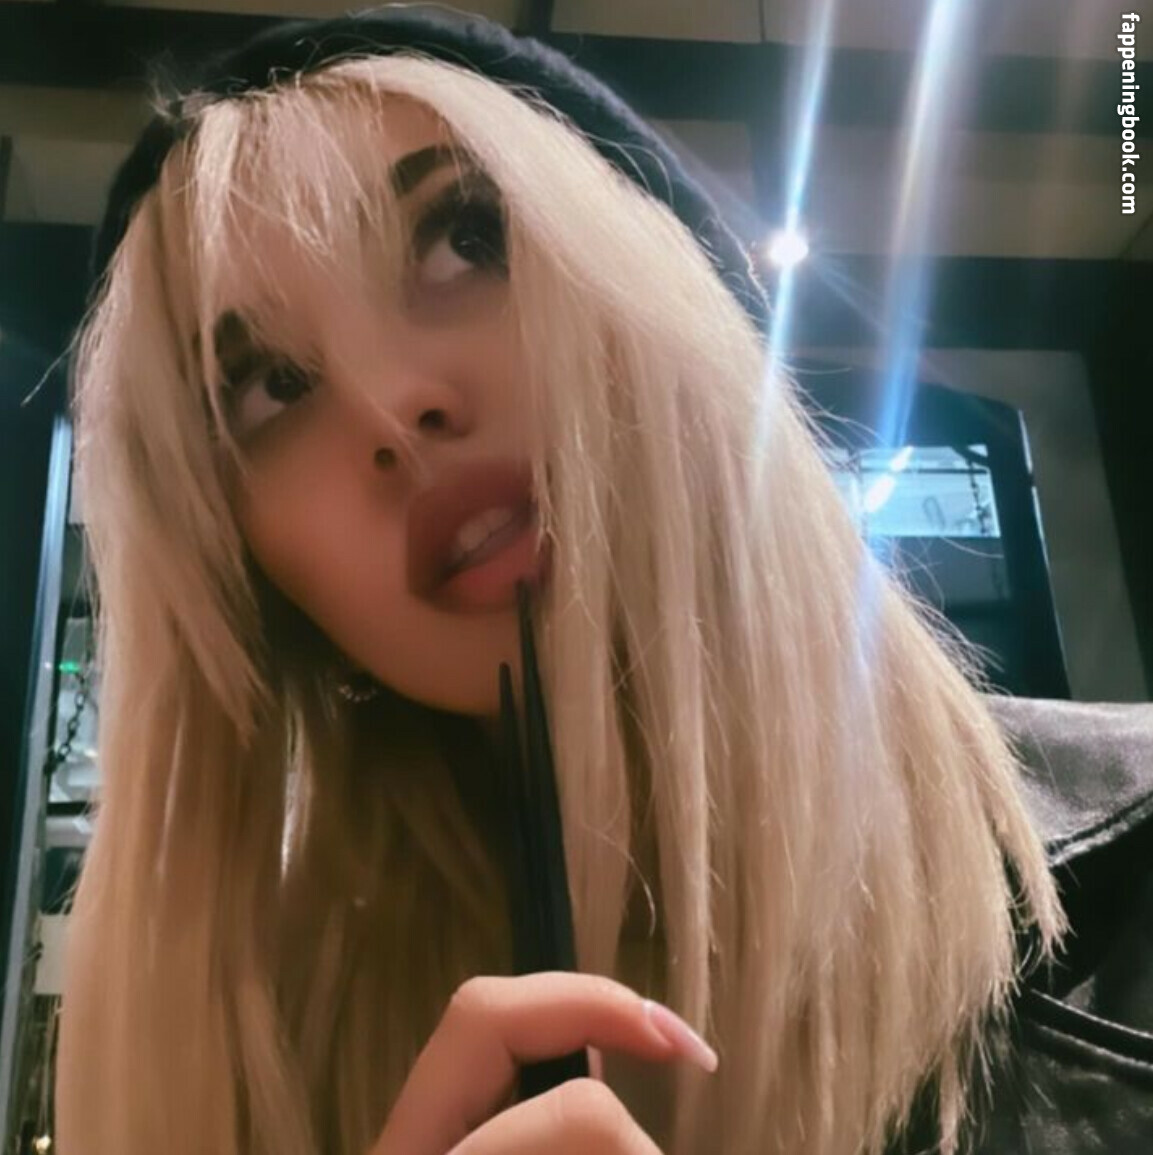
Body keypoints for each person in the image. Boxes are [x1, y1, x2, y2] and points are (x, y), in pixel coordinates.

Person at [53, 7, 1153, 1155]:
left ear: (678, 298)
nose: (393, 408)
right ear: (255, 579)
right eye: (268, 386)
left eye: (464, 237)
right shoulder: (268, 1084)